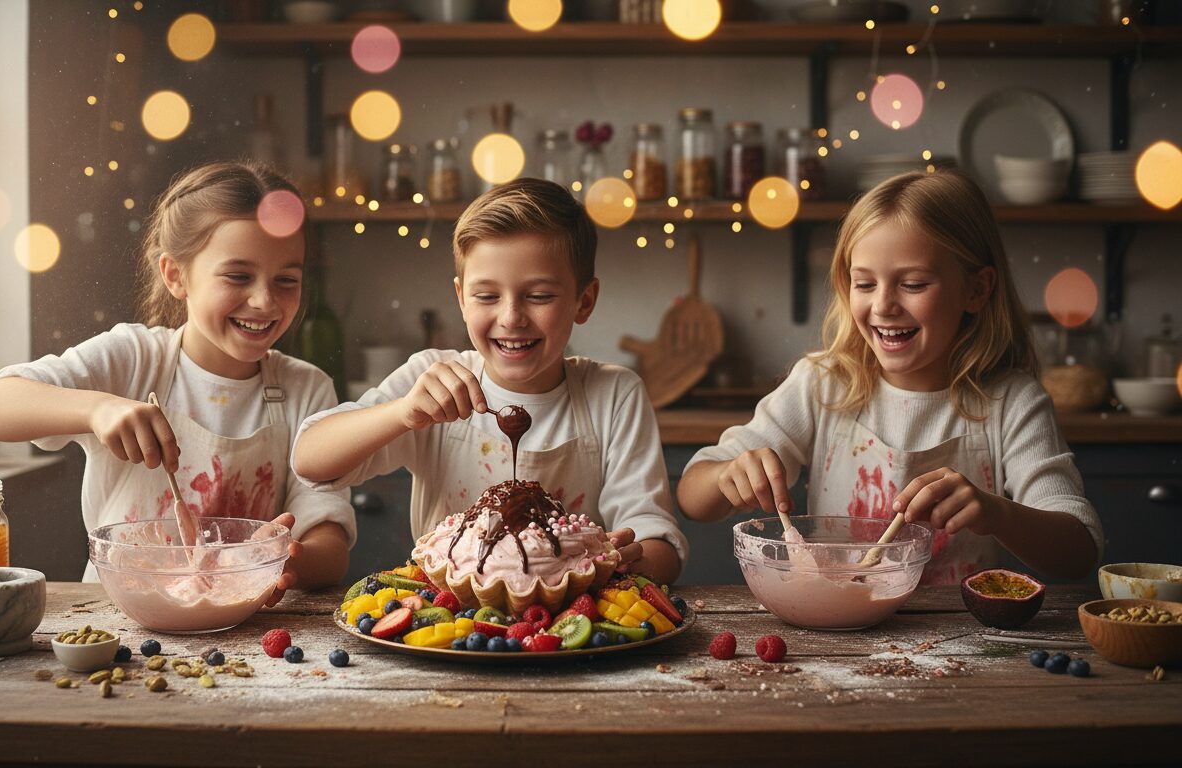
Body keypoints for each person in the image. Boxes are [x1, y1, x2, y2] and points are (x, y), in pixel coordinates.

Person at [677, 169, 1101, 584]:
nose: (883, 306)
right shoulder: (822, 385)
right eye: (863, 284)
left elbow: (1078, 552)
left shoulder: (1012, 403)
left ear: (977, 290)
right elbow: (693, 497)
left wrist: (997, 513)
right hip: (838, 634)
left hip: (958, 642)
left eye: (913, 284)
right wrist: (726, 474)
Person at [0, 161, 355, 601]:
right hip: (116, 618)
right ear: (175, 275)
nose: (265, 301)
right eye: (238, 276)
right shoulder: (132, 359)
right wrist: (98, 408)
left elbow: (331, 543)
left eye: (287, 280)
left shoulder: (307, 389)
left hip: (245, 626)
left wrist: (276, 559)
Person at [292, 177, 687, 584]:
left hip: (572, 623)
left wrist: (627, 558)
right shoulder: (431, 379)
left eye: (539, 296)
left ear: (583, 301)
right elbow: (310, 461)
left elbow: (658, 541)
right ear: (462, 299)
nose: (511, 317)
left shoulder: (614, 395)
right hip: (451, 620)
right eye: (487, 296)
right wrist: (402, 412)